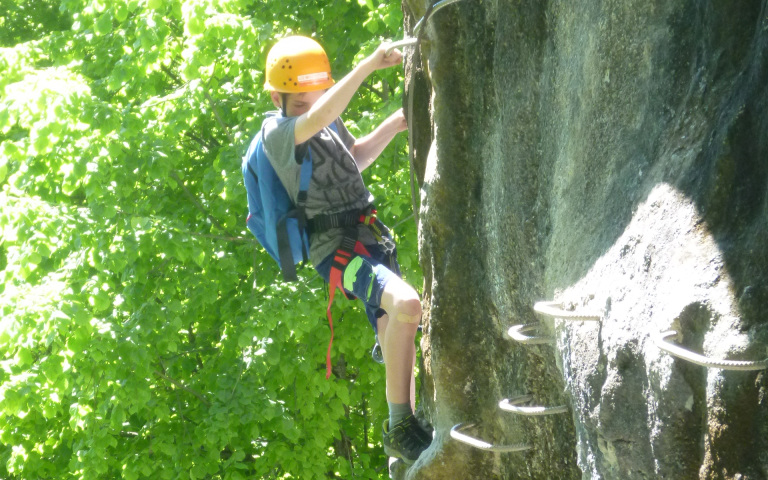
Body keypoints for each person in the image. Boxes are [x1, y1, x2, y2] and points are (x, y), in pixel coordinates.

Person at [256, 35, 431, 465]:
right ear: (277, 98)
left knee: (396, 326)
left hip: (368, 238)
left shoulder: (324, 117)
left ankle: (403, 447)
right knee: (407, 305)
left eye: (316, 95)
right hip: (336, 251)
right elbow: (319, 115)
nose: (311, 105)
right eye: (300, 101)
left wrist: (396, 122)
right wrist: (369, 65)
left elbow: (354, 156)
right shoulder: (276, 133)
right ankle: (399, 427)